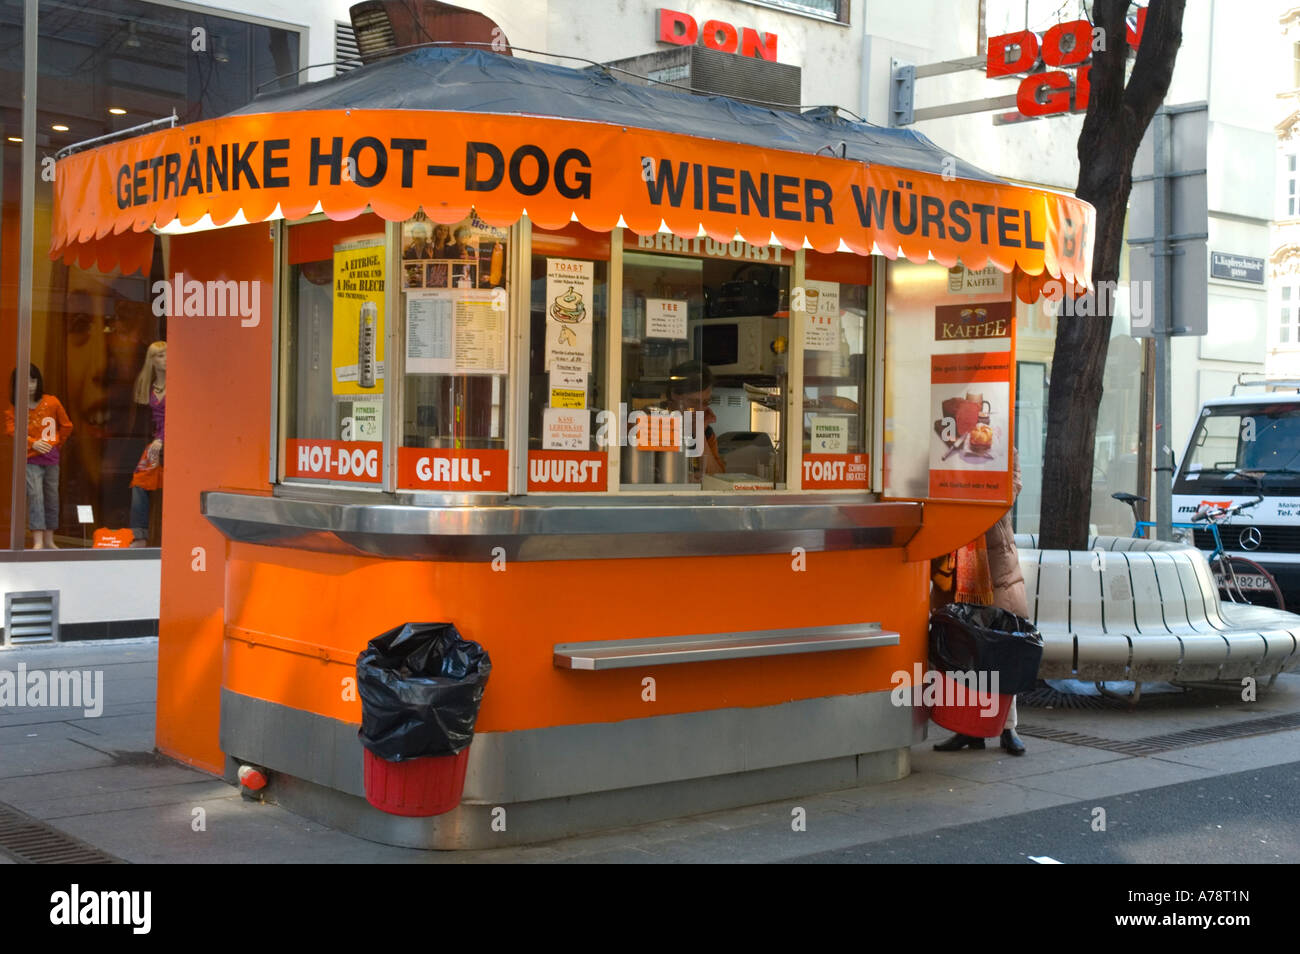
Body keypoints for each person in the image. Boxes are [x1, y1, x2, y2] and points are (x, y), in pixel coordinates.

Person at [931, 449, 1029, 756]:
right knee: (961, 647)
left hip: (993, 555)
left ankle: (1007, 727)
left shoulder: (1000, 440)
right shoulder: (944, 444)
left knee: (1002, 646)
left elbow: (1012, 485)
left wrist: (977, 494)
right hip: (954, 551)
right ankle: (967, 728)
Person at [6, 364, 73, 549]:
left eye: (33, 380)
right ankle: (37, 541)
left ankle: (50, 539)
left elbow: (67, 425)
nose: (30, 385)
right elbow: (12, 430)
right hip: (30, 459)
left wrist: (55, 444)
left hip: (51, 459)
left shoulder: (52, 402)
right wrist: (32, 443)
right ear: (16, 384)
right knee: (35, 496)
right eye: (25, 381)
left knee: (52, 496)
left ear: (39, 381)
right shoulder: (15, 408)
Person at [128, 342, 166, 547]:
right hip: (155, 444)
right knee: (140, 482)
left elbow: (182, 417)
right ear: (152, 360)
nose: (166, 359)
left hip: (172, 442)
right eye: (160, 355)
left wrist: (164, 439)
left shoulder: (177, 384)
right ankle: (140, 535)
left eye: (168, 354)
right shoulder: (149, 386)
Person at [664, 360, 725, 478]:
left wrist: (699, 434)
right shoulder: (651, 424)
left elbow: (719, 479)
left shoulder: (706, 432)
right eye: (694, 402)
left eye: (706, 402)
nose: (700, 409)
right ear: (674, 396)